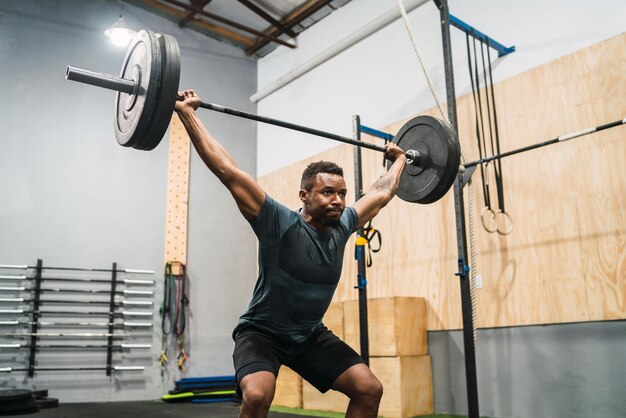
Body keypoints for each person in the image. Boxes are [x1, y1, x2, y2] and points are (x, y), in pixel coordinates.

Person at [175, 89, 407, 418]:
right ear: (305, 195)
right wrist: (188, 114)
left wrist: (400, 160)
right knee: (257, 395)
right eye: (328, 192)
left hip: (309, 336)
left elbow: (382, 192)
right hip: (261, 334)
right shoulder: (278, 222)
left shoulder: (344, 226)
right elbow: (228, 171)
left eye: (342, 193)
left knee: (369, 388)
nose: (339, 200)